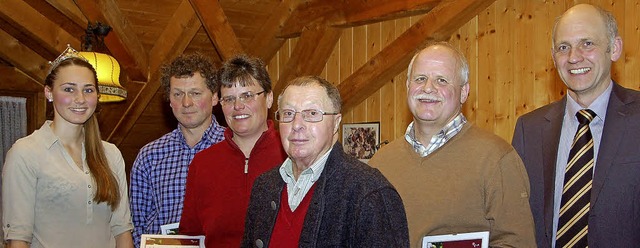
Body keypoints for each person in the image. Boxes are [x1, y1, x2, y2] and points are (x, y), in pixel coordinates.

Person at [368, 42, 536, 247]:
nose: (428, 88)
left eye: (442, 80)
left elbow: (518, 243)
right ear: (407, 87)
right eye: (420, 79)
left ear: (464, 92)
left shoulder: (497, 158)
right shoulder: (380, 163)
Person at [512, 4, 640, 247]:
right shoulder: (529, 130)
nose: (573, 57)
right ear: (553, 57)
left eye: (587, 43)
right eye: (563, 47)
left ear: (614, 48)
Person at [241, 76, 409, 247]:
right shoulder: (264, 187)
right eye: (288, 114)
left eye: (312, 114)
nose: (297, 124)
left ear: (336, 123)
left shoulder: (369, 193)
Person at [2, 45, 134, 247]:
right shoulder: (25, 152)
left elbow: (122, 230)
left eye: (88, 90)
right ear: (49, 92)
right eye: (69, 89)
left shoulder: (111, 154)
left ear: (97, 96)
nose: (80, 99)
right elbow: (18, 238)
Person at [179, 55, 287, 247]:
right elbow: (189, 237)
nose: (237, 106)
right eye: (229, 99)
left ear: (269, 98)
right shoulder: (203, 164)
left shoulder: (291, 154)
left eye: (247, 96)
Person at [129, 53, 225, 247]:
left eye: (195, 93)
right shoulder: (149, 156)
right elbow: (136, 226)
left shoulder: (235, 148)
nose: (186, 102)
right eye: (178, 94)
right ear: (169, 99)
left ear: (215, 97)